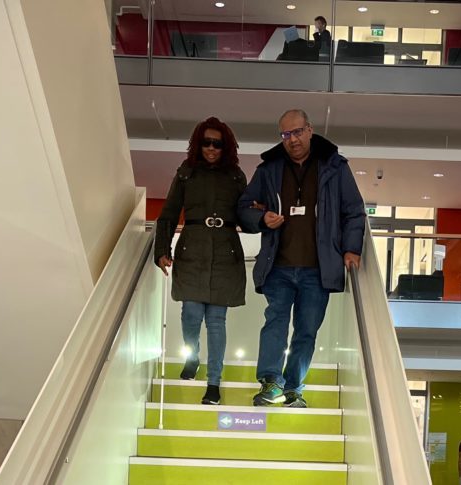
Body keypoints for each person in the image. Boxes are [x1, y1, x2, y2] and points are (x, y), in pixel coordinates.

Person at [239, 109, 366, 408]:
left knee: (306, 330)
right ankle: (271, 383)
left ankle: (294, 387)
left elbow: (354, 211)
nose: (292, 139)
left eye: (297, 132)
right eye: (285, 134)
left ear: (310, 130)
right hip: (278, 266)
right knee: (275, 324)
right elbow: (243, 207)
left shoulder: (335, 166)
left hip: (318, 269)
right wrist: (260, 218)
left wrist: (352, 249)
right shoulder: (269, 169)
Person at [155, 117, 248, 406]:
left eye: (217, 143)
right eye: (206, 142)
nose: (211, 148)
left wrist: (261, 216)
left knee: (217, 321)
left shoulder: (236, 176)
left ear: (226, 146)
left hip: (224, 251)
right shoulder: (186, 173)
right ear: (198, 143)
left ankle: (214, 383)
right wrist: (162, 248)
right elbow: (169, 212)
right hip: (192, 247)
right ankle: (192, 356)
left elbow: (246, 213)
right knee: (191, 314)